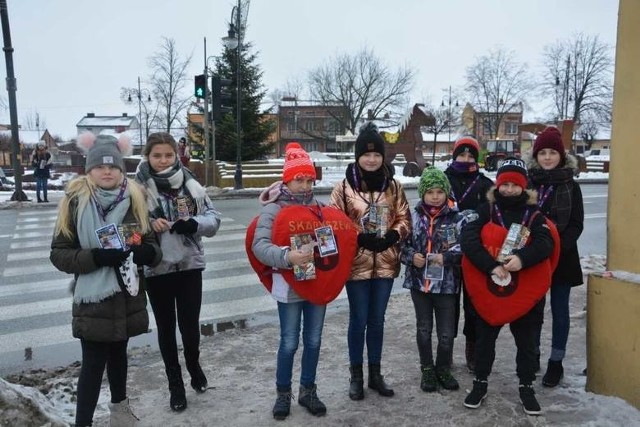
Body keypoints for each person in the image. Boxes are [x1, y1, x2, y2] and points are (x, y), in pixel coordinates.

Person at [50, 133, 162, 427]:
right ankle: (83, 422)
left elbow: (153, 248)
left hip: (126, 296)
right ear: (89, 171)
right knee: (92, 365)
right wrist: (96, 257)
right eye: (99, 166)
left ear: (122, 170)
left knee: (119, 358)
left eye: (113, 167)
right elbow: (60, 255)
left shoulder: (135, 199)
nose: (107, 171)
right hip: (93, 301)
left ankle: (120, 414)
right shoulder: (75, 204)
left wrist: (145, 252)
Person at [461, 158, 554, 415]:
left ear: (523, 186)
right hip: (491, 288)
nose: (509, 189)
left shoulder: (534, 215)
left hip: (524, 292)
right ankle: (480, 383)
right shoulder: (486, 210)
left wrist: (521, 259)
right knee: (484, 340)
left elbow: (546, 243)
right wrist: (491, 265)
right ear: (498, 185)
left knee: (527, 343)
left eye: (515, 185)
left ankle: (526, 386)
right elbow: (468, 239)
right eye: (505, 184)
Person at [135, 132, 221, 412]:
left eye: (168, 155)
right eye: (157, 155)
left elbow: (214, 219)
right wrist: (149, 226)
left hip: (188, 265)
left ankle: (194, 366)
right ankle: (175, 383)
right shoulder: (136, 190)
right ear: (147, 156)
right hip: (157, 268)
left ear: (176, 155)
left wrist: (193, 223)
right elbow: (128, 231)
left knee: (189, 326)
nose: (162, 160)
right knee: (167, 329)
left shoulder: (190, 184)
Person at [251, 142, 332, 420]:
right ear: (288, 179)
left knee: (314, 340)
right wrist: (287, 256)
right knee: (289, 342)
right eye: (300, 179)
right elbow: (259, 246)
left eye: (310, 179)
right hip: (289, 286)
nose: (306, 185)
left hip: (316, 285)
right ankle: (283, 394)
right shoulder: (273, 210)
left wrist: (328, 249)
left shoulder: (320, 208)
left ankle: (308, 389)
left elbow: (332, 242)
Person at [330, 122, 410, 401]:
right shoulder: (343, 188)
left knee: (377, 321)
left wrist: (392, 236)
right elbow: (334, 222)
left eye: (377, 154)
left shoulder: (395, 187)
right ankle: (356, 376)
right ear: (358, 156)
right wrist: (359, 239)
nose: (372, 159)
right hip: (356, 264)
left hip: (386, 263)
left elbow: (403, 218)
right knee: (358, 320)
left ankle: (376, 374)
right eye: (366, 154)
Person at [400, 167, 475, 393]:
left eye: (439, 191)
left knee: (445, 332)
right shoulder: (412, 218)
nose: (435, 196)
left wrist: (447, 257)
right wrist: (412, 257)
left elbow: (466, 248)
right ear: (423, 193)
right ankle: (427, 369)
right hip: (419, 284)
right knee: (424, 329)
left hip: (447, 285)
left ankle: (443, 368)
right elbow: (401, 245)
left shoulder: (457, 218)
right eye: (430, 191)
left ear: (446, 193)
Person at [526, 127, 584, 387]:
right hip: (534, 257)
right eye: (543, 153)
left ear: (561, 156)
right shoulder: (529, 184)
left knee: (560, 312)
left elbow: (576, 224)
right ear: (536, 156)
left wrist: (559, 246)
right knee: (533, 311)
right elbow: (521, 219)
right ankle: (532, 355)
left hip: (563, 257)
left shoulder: (571, 186)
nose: (547, 157)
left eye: (552, 153)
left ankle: (556, 362)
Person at [444, 136, 494, 373]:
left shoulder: (485, 184)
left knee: (473, 304)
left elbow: (490, 215)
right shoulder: (444, 180)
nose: (465, 160)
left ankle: (472, 348)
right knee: (448, 303)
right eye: (461, 155)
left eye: (470, 156)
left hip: (475, 251)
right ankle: (447, 347)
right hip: (447, 251)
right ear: (455, 156)